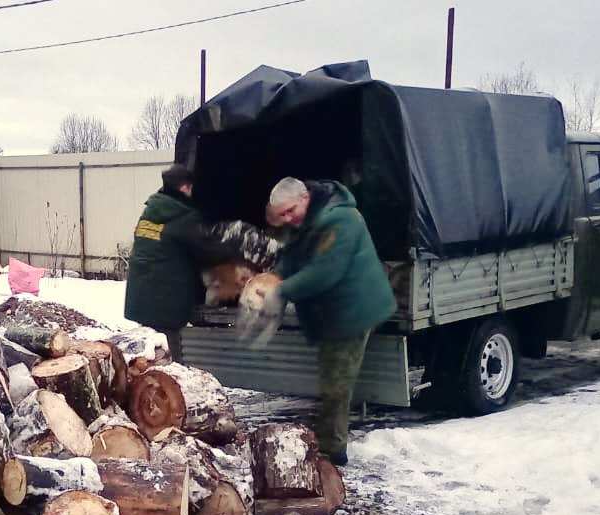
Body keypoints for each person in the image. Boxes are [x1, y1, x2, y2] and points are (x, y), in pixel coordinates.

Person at [258, 176, 396, 465]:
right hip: (334, 311)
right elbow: (293, 258)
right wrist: (274, 277)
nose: (286, 219)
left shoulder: (341, 220)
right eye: (281, 215)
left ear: (305, 197)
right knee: (330, 375)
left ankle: (333, 451)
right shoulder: (306, 221)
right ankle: (326, 435)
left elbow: (325, 273)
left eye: (289, 211)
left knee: (337, 381)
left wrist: (281, 290)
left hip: (355, 309)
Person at [124, 164, 244, 361]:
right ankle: (170, 387)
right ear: (185, 188)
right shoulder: (183, 217)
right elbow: (209, 252)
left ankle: (149, 387)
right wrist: (238, 253)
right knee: (170, 355)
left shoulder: (152, 211)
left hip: (142, 294)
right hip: (164, 301)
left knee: (151, 350)